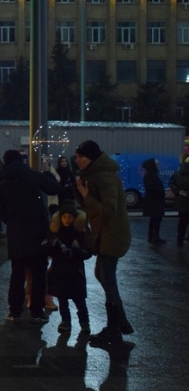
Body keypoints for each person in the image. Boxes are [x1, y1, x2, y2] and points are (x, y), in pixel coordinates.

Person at [74, 140, 133, 347]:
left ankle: (115, 330)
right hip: (105, 234)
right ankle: (120, 323)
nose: (77, 160)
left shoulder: (104, 175)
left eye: (81, 156)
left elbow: (109, 209)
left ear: (91, 157)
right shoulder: (94, 174)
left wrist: (85, 195)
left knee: (107, 278)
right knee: (103, 275)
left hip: (112, 235)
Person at [0, 149, 61, 324]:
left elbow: (1, 212)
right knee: (39, 273)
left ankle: (15, 312)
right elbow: (55, 188)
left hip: (16, 233)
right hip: (38, 232)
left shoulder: (3, 183)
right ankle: (37, 311)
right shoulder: (33, 176)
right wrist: (47, 172)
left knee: (17, 274)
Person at [47, 199, 93, 333]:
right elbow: (46, 249)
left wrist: (76, 252)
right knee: (62, 300)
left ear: (74, 218)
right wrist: (52, 246)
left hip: (75, 271)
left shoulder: (81, 233)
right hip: (59, 270)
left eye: (70, 217)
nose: (67, 219)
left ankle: (85, 323)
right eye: (64, 217)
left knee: (79, 300)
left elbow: (88, 252)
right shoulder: (55, 232)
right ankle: (66, 321)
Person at [141, 158, 167, 245]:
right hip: (155, 202)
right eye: (156, 164)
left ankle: (152, 237)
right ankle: (155, 237)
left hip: (152, 201)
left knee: (154, 220)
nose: (158, 166)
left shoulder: (148, 175)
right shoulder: (152, 175)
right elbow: (152, 188)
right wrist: (161, 192)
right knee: (156, 220)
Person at [169, 156, 189, 248]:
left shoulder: (177, 174)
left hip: (181, 202)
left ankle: (180, 240)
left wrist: (178, 191)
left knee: (182, 221)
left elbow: (171, 183)